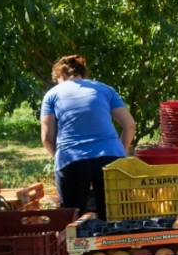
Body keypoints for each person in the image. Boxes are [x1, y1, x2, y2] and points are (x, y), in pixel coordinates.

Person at [40, 54, 136, 221]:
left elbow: (47, 137)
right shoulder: (105, 89)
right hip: (110, 158)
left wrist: (59, 157)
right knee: (114, 218)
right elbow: (130, 125)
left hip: (72, 159)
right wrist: (120, 153)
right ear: (83, 74)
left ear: (60, 75)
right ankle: (112, 245)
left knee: (72, 220)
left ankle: (79, 246)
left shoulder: (52, 94)